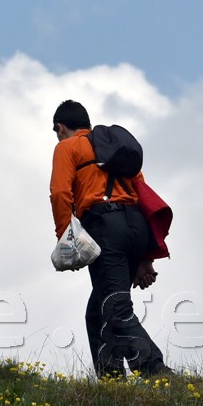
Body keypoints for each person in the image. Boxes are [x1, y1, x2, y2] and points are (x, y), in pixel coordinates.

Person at [50, 99, 171, 379]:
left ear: (60, 128)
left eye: (57, 132)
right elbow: (141, 191)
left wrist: (66, 239)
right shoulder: (112, 146)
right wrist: (145, 259)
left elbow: (60, 193)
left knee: (116, 307)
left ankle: (155, 369)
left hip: (104, 224)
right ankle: (111, 380)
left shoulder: (67, 147)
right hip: (136, 226)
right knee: (97, 312)